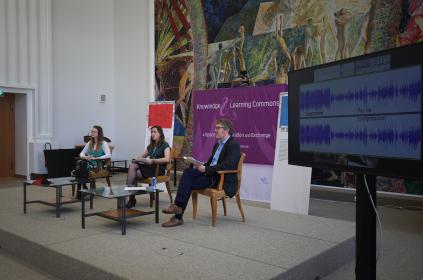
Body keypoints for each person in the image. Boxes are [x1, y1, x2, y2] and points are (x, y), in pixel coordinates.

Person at [161, 119, 241, 227]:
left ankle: (178, 215)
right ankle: (178, 209)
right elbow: (211, 162)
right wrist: (200, 164)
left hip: (219, 178)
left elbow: (229, 165)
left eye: (218, 128)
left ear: (226, 130)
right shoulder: (217, 145)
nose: (215, 130)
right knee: (188, 172)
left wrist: (206, 169)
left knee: (188, 183)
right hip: (210, 173)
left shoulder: (233, 144)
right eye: (215, 127)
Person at [126, 125, 171, 208]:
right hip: (149, 167)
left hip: (158, 169)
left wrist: (153, 160)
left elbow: (167, 159)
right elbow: (141, 156)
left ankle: (131, 197)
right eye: (151, 132)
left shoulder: (165, 145)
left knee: (132, 173)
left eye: (155, 132)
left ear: (160, 133)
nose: (152, 134)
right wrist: (137, 159)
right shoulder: (151, 146)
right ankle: (131, 197)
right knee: (132, 166)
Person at [76, 125, 111, 198]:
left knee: (79, 166)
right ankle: (81, 189)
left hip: (97, 165)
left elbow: (108, 155)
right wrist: (85, 157)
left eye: (94, 132)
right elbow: (81, 153)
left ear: (99, 133)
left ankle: (81, 190)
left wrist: (96, 158)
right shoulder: (89, 143)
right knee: (81, 163)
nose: (92, 133)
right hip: (88, 163)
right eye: (91, 131)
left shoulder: (103, 143)